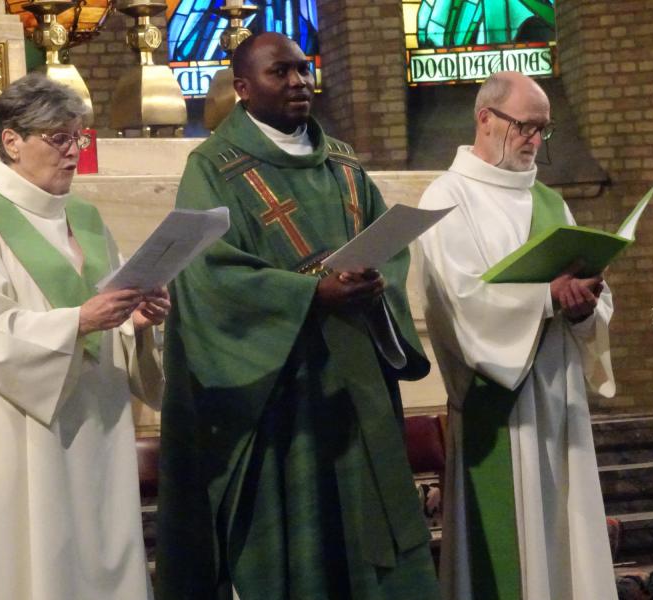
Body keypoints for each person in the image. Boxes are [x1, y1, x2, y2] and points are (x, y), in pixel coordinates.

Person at [156, 32, 440, 600]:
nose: (297, 82)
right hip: (279, 391)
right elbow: (206, 272)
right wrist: (310, 294)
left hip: (355, 378)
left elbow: (388, 244)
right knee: (301, 542)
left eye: (302, 70)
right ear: (241, 88)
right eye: (279, 73)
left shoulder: (343, 160)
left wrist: (373, 282)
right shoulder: (213, 167)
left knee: (370, 531)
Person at [0, 73, 169, 600]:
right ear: (11, 141)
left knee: (95, 553)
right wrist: (78, 321)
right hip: (18, 431)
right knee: (28, 563)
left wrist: (139, 321)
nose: (74, 154)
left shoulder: (83, 218)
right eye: (59, 139)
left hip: (96, 425)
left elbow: (112, 317)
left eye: (79, 137)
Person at [416, 71, 617, 600]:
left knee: (566, 537)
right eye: (526, 127)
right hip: (499, 410)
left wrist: (582, 308)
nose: (534, 140)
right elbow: (459, 303)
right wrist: (545, 298)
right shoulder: (446, 198)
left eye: (543, 130)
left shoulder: (550, 202)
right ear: (485, 118)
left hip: (559, 398)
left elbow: (594, 294)